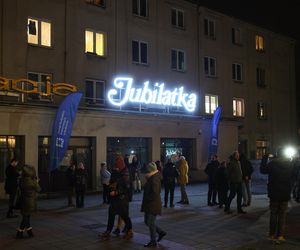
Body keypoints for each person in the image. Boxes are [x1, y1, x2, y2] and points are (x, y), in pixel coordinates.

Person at [260, 150, 298, 242]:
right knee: (282, 215)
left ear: (277, 155)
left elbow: (262, 170)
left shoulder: (272, 164)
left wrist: (265, 157)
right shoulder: (290, 164)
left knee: (273, 214)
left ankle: (272, 234)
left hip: (274, 192)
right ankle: (280, 235)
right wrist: (295, 161)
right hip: (285, 193)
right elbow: (295, 175)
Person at [100, 155, 133, 240]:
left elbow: (126, 188)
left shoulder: (125, 173)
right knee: (111, 213)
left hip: (122, 199)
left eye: (117, 164)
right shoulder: (118, 172)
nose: (116, 165)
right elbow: (114, 182)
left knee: (125, 216)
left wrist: (116, 192)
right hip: (117, 200)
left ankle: (129, 230)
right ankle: (108, 230)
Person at [141, 162, 166, 247]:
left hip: (153, 204)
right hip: (150, 204)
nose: (146, 172)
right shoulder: (152, 177)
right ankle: (161, 232)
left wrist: (147, 199)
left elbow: (155, 192)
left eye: (147, 170)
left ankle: (153, 241)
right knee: (147, 221)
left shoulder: (154, 178)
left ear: (150, 170)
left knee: (150, 222)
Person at [16, 165, 40, 239]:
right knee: (26, 217)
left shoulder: (22, 180)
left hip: (23, 200)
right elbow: (39, 189)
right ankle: (19, 232)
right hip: (30, 201)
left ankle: (29, 232)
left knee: (26, 216)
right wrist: (37, 182)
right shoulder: (32, 181)